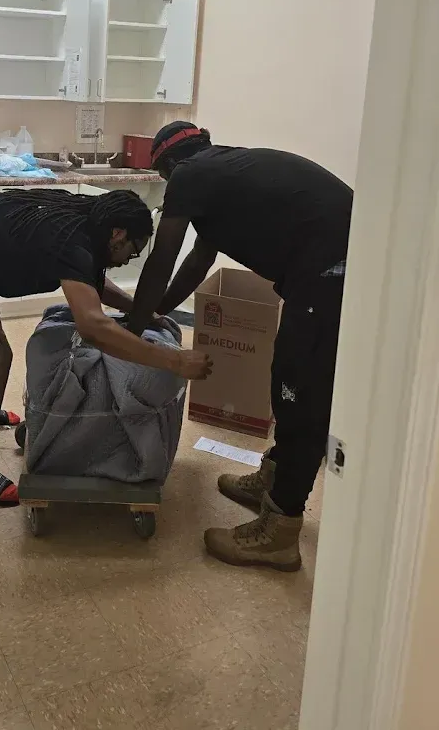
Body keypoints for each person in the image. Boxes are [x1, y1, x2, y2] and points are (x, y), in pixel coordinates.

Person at [128, 122, 352, 571]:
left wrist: (132, 328)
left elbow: (163, 257)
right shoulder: (223, 173)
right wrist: (160, 312)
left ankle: (280, 529)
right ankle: (273, 477)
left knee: (300, 390)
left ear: (169, 166)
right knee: (286, 375)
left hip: (334, 271)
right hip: (328, 266)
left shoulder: (190, 175)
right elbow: (197, 260)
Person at [0, 187, 213, 507]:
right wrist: (175, 363)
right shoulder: (74, 241)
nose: (128, 259)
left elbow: (91, 282)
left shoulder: (88, 223)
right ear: (118, 233)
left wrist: (140, 312)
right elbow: (94, 327)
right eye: (132, 250)